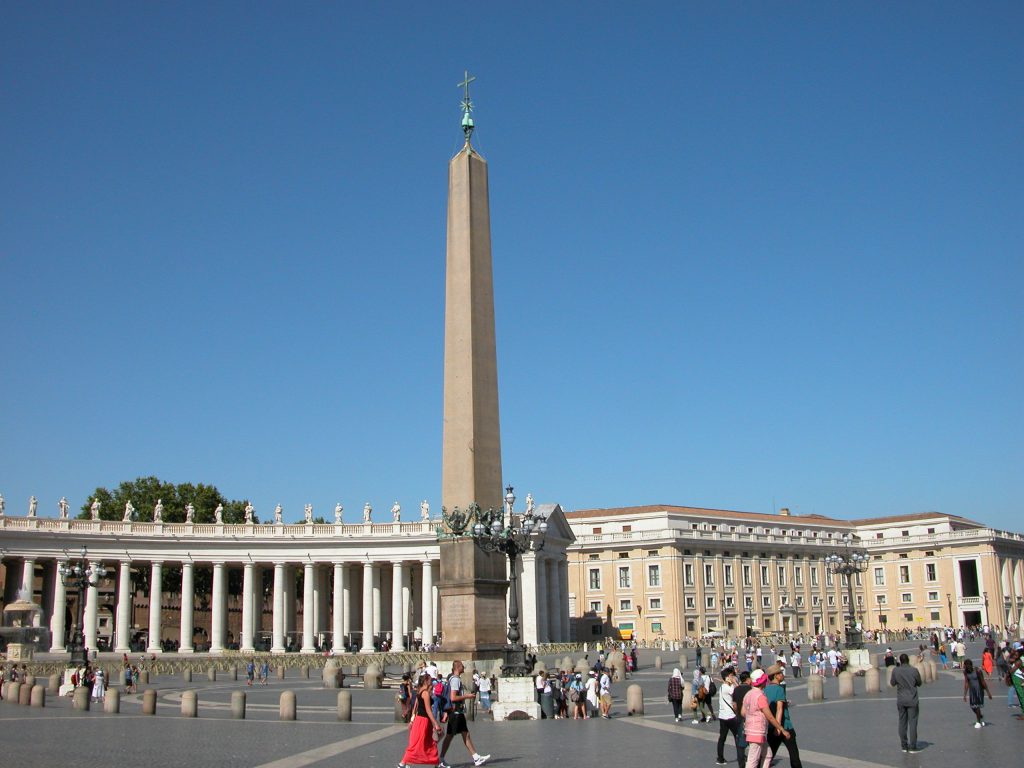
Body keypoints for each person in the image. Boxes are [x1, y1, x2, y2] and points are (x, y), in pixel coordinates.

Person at [437, 660, 489, 768]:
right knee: (450, 736)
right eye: (462, 666)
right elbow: (453, 697)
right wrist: (467, 696)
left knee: (465, 734)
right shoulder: (455, 680)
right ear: (458, 667)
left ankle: (476, 758)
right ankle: (440, 759)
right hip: (456, 712)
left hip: (456, 712)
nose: (464, 667)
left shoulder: (451, 678)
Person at [741, 669, 789, 768]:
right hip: (757, 731)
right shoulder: (760, 696)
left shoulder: (748, 694)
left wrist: (751, 717)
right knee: (752, 761)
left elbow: (742, 712)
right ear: (763, 682)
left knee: (768, 755)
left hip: (750, 730)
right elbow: (770, 716)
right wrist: (782, 729)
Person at [398, 672, 443, 768]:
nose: (432, 681)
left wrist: (412, 720)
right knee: (418, 744)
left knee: (427, 742)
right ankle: (403, 763)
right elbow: (428, 710)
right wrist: (435, 723)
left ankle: (436, 763)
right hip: (423, 721)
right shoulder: (425, 693)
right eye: (430, 680)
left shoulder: (420, 691)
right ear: (426, 681)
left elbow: (416, 706)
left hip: (420, 720)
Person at [765, 664, 802, 768]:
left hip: (771, 727)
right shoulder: (779, 689)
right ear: (775, 675)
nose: (782, 674)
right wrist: (779, 728)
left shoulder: (765, 690)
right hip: (785, 726)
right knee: (794, 756)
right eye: (780, 673)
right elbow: (780, 709)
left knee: (768, 757)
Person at [890, 652, 923, 753]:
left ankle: (904, 745)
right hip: (912, 699)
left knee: (902, 722)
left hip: (901, 699)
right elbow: (919, 683)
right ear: (908, 660)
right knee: (912, 723)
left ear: (900, 661)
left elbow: (892, 683)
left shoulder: (896, 670)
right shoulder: (914, 670)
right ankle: (913, 746)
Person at [716, 667, 744, 767]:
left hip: (722, 717)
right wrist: (735, 682)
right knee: (738, 737)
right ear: (727, 677)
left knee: (722, 738)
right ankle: (741, 756)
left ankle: (720, 758)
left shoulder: (723, 687)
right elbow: (738, 691)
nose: (733, 677)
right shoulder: (728, 688)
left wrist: (729, 681)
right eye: (731, 676)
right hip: (730, 716)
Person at [962, 658, 991, 727]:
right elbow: (966, 682)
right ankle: (981, 717)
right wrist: (965, 695)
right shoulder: (965, 672)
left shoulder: (978, 671)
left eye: (968, 666)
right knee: (972, 706)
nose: (967, 668)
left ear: (971, 665)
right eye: (965, 666)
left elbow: (983, 681)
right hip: (972, 691)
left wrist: (988, 692)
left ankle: (978, 722)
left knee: (977, 706)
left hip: (979, 690)